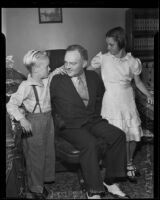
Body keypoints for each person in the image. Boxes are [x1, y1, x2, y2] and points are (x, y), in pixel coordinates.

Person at [50, 44, 130, 199]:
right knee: (90, 144)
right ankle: (93, 190)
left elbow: (100, 97)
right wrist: (51, 75)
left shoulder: (93, 77)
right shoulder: (57, 80)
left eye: (72, 63)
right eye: (65, 62)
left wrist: (97, 116)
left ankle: (109, 181)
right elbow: (43, 99)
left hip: (92, 120)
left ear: (84, 63)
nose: (67, 66)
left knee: (118, 135)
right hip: (70, 125)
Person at [87, 26, 154, 183]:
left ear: (121, 43)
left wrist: (149, 94)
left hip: (127, 100)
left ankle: (129, 163)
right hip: (110, 101)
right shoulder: (103, 58)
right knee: (113, 135)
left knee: (132, 136)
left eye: (111, 44)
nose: (108, 47)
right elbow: (87, 71)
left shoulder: (133, 62)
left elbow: (137, 82)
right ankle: (113, 165)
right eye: (107, 44)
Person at [6, 50, 65, 199]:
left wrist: (65, 67)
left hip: (48, 121)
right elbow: (11, 105)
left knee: (47, 153)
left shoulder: (46, 80)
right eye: (47, 66)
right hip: (34, 124)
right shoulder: (26, 86)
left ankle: (42, 181)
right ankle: (35, 188)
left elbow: (56, 72)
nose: (50, 69)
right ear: (37, 68)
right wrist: (22, 119)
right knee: (34, 157)